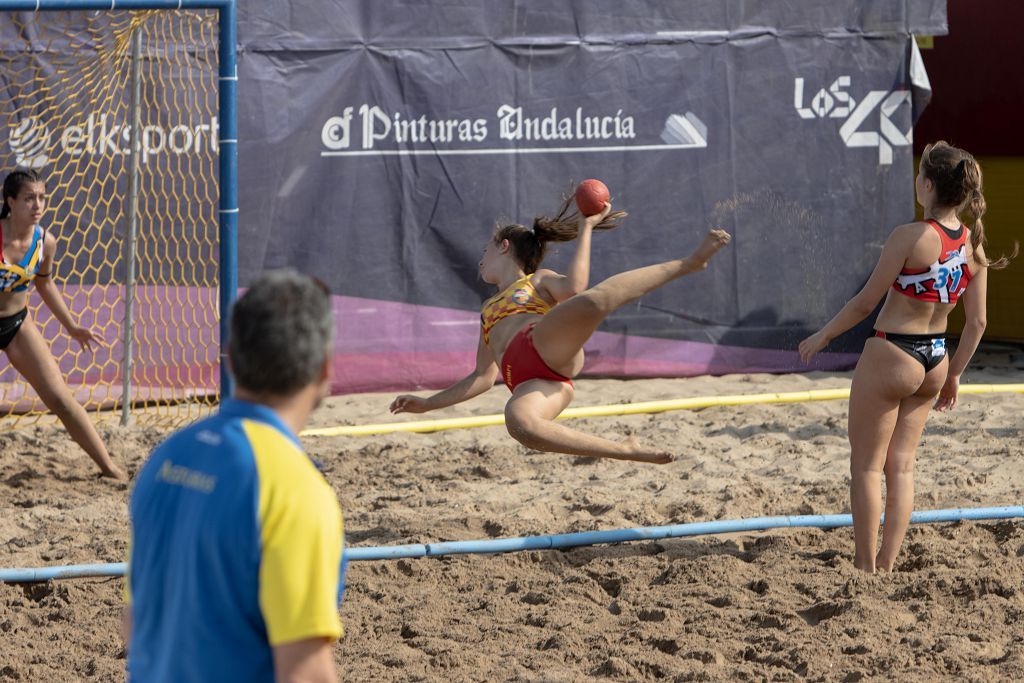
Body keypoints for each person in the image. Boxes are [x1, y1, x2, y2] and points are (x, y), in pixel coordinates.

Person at [390, 189, 731, 463]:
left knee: (594, 300)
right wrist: (427, 404)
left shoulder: (538, 280)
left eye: (485, 250)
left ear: (503, 246)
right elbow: (481, 377)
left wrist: (586, 228)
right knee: (519, 424)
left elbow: (576, 287)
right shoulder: (487, 309)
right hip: (530, 382)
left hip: (542, 342)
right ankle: (624, 450)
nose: (480, 259)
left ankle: (689, 263)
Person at [799, 141, 1014, 573]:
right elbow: (978, 325)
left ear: (929, 185)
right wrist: (953, 376)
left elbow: (865, 304)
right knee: (902, 468)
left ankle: (864, 568)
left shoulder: (910, 237)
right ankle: (888, 562)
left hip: (892, 351)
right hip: (935, 358)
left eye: (919, 175)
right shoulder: (975, 246)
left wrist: (823, 335)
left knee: (865, 465)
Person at [124, 269, 345, 683]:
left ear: (231, 354)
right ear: (324, 370)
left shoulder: (166, 457)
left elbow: (136, 622)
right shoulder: (294, 489)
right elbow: (305, 672)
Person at [0, 169, 125, 480]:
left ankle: (109, 468)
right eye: (29, 198)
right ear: (10, 201)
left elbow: (45, 283)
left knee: (61, 400)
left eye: (42, 198)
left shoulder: (45, 241)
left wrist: (71, 327)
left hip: (17, 325)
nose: (38, 205)